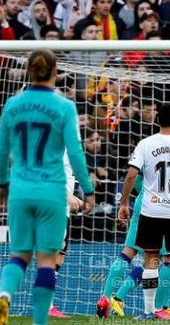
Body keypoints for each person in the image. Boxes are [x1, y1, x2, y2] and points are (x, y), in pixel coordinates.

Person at [0, 49, 96, 325]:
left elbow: (2, 149)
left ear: (29, 71)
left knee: (18, 255)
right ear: (55, 72)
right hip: (53, 191)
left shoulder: (12, 105)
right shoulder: (64, 107)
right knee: (46, 260)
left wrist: (3, 185)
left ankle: (4, 294)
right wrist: (87, 190)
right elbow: (76, 153)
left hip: (20, 190)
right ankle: (39, 322)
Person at [117, 104, 170, 321]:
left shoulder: (145, 144)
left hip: (151, 210)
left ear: (158, 121)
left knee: (150, 260)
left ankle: (148, 311)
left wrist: (124, 203)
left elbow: (130, 176)